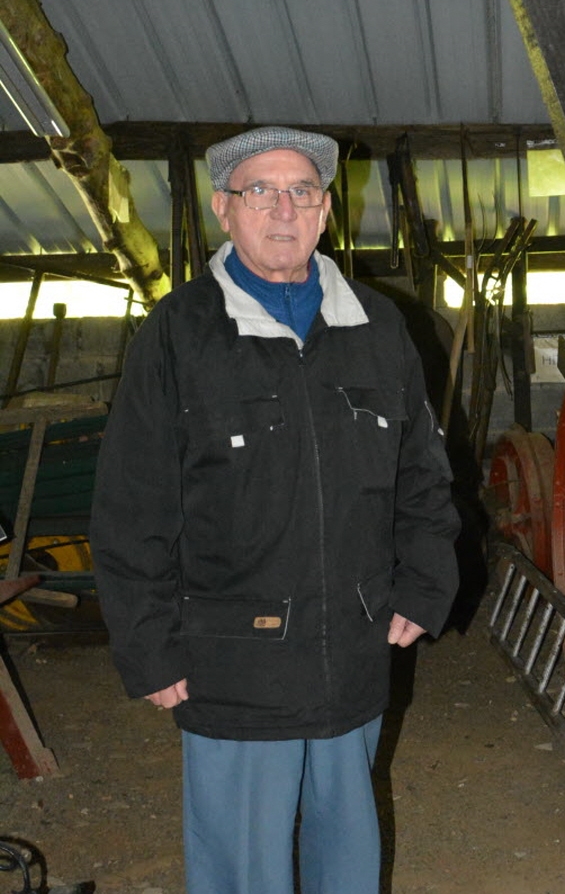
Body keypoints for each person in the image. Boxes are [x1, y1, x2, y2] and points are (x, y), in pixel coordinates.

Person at [90, 125, 460, 894]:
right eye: (261, 190)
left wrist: (427, 582)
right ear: (226, 209)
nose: (283, 208)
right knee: (243, 868)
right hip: (231, 662)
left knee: (347, 860)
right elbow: (132, 504)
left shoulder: (379, 325)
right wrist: (147, 645)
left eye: (302, 191)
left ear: (326, 212)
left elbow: (423, 475)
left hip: (351, 652)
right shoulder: (180, 334)